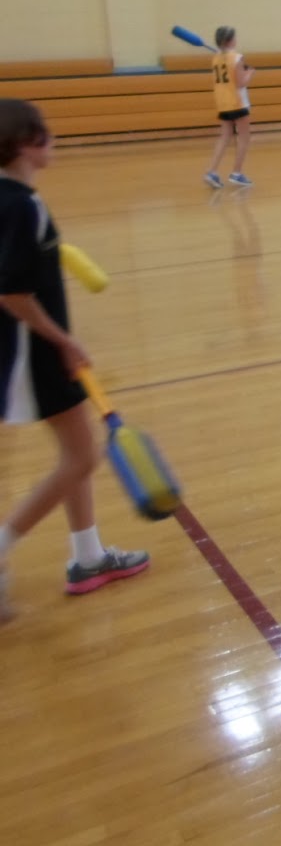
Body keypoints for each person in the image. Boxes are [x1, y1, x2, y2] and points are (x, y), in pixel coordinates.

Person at [0, 100, 149, 622]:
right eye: (46, 134)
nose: (53, 139)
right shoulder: (24, 206)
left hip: (26, 347)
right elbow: (13, 292)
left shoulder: (11, 199)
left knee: (75, 448)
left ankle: (87, 557)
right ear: (26, 143)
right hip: (32, 351)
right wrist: (62, 340)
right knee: (83, 457)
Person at [204, 25, 255, 188]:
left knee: (225, 137)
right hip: (238, 102)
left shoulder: (216, 58)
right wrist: (250, 73)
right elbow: (241, 83)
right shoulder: (237, 57)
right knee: (244, 137)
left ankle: (211, 171)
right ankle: (237, 173)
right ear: (230, 40)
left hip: (223, 103)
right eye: (234, 37)